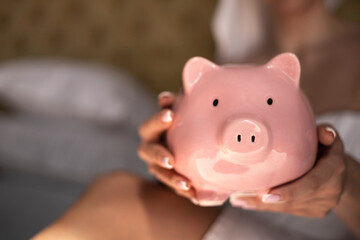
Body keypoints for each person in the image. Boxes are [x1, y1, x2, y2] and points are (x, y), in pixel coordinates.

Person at [33, 0, 360, 239]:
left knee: (117, 198)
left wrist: (346, 185)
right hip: (224, 219)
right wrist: (174, 151)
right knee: (120, 188)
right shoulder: (233, 64)